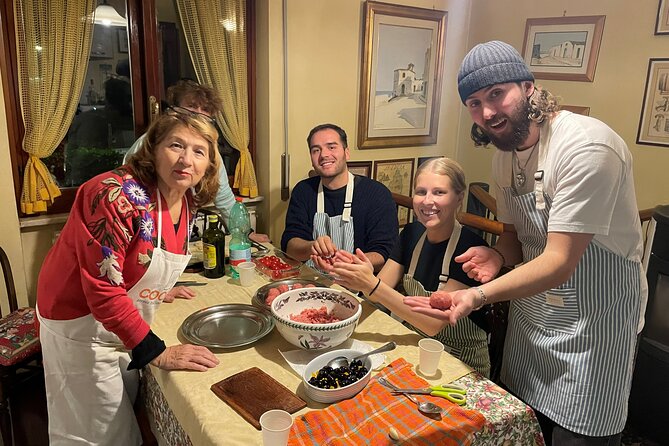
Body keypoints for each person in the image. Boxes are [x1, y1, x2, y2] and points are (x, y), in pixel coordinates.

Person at [405, 40, 647, 445]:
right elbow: (518, 239)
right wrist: (498, 254)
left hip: (591, 331)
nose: (487, 112)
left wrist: (477, 295)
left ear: (529, 86)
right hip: (533, 321)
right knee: (518, 429)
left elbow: (558, 261)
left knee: (579, 438)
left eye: (497, 94)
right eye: (474, 103)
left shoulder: (585, 147)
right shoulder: (504, 156)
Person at [37, 111, 221, 445]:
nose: (185, 159)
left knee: (126, 411)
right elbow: (105, 289)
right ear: (153, 149)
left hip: (122, 323)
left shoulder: (186, 200)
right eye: (175, 145)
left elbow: (140, 255)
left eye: (198, 151)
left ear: (209, 164)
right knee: (100, 433)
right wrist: (159, 353)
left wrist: (155, 289)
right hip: (81, 326)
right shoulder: (112, 195)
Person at [331, 158, 491, 376]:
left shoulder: (472, 250)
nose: (427, 201)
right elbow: (378, 292)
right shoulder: (411, 234)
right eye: (421, 191)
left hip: (460, 361)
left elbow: (433, 323)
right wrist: (358, 275)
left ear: (459, 198)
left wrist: (373, 285)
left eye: (439, 193)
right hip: (415, 343)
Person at [124, 79, 269, 243]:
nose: (198, 115)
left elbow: (224, 198)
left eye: (205, 110)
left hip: (178, 228)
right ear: (173, 111)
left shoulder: (211, 153)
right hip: (142, 227)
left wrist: (246, 233)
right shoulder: (149, 143)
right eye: (192, 106)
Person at [280, 123, 398, 271]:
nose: (324, 155)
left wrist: (345, 264)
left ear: (346, 152)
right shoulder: (303, 191)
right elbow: (290, 246)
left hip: (358, 285)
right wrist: (312, 247)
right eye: (316, 150)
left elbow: (383, 253)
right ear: (311, 158)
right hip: (312, 281)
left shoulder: (376, 194)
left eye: (332, 147)